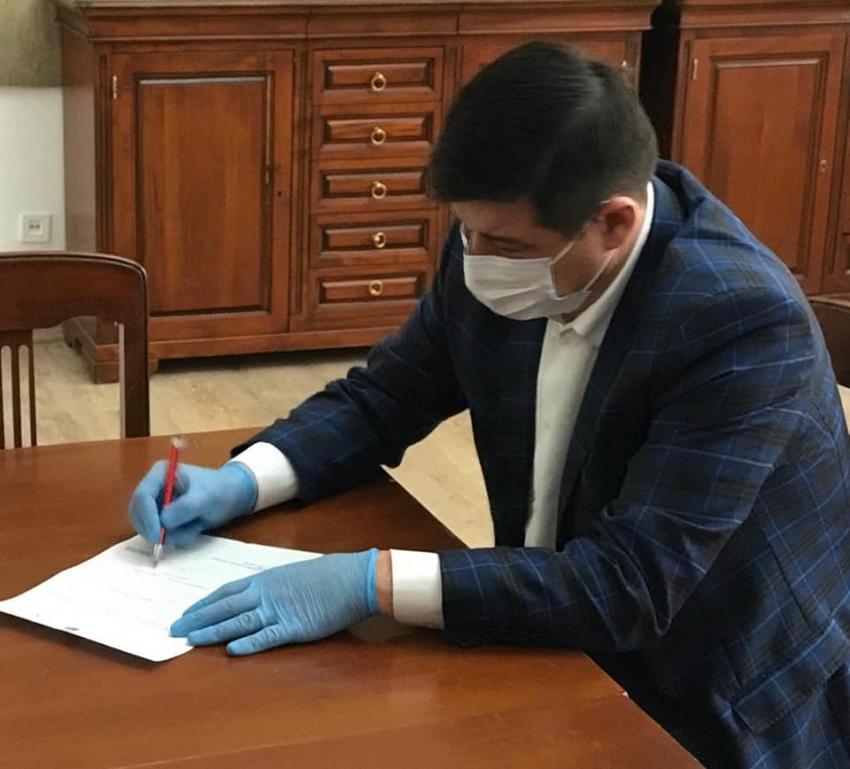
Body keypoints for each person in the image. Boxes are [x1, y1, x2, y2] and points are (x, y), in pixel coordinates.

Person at [129, 42, 850, 768]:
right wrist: (244, 479)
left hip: (711, 699)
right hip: (548, 638)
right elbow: (386, 396)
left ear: (614, 223)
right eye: (466, 230)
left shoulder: (738, 321)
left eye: (501, 241)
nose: (475, 258)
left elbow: (631, 584)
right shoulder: (504, 243)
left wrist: (372, 581)